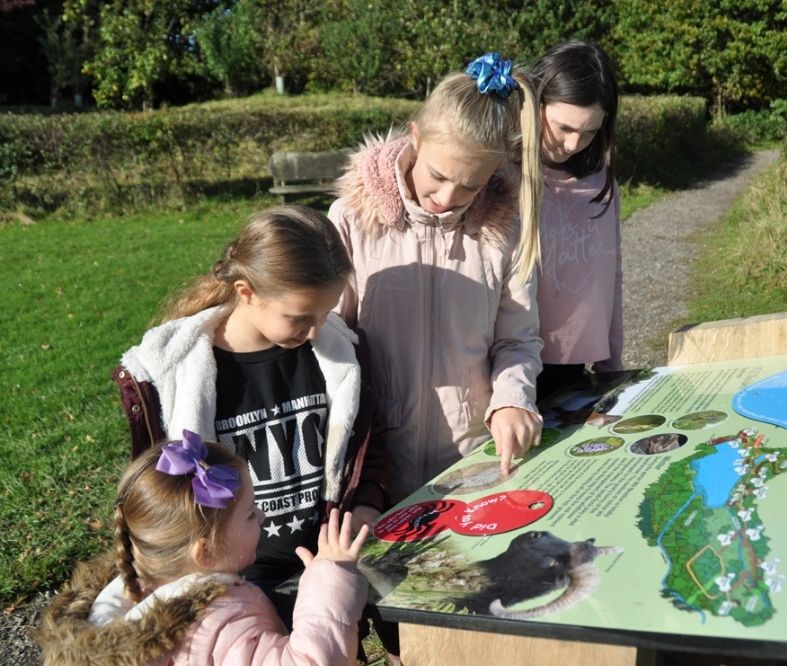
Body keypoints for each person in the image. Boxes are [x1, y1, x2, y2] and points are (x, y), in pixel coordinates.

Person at [111, 205, 391, 624]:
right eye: (300, 317)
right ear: (247, 292)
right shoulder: (175, 376)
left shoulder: (339, 356)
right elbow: (164, 497)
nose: (315, 330)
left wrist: (365, 506)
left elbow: (370, 447)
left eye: (325, 313)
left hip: (322, 568)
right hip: (233, 591)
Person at [328, 51, 544, 492]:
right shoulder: (352, 218)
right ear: (415, 137)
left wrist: (511, 402)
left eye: (471, 186)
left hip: (471, 460)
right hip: (376, 469)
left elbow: (517, 340)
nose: (447, 197)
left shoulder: (505, 231)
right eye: (438, 175)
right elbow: (329, 333)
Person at [36, 432, 370, 664]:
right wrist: (328, 585)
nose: (263, 515)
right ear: (205, 553)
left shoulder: (118, 613)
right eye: (250, 513)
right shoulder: (219, 623)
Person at [530, 42, 624, 400]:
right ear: (536, 103)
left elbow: (610, 275)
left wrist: (613, 366)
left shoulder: (600, 181)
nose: (573, 144)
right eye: (564, 127)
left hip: (570, 364)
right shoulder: (501, 175)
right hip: (502, 363)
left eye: (589, 132)